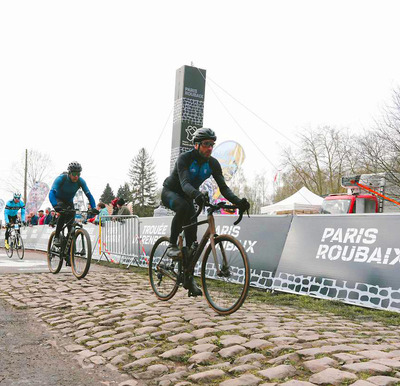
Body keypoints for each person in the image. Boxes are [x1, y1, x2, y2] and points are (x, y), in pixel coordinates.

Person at [161, 128, 250, 296]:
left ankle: (189, 279)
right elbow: (185, 183)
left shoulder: (213, 164)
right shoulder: (184, 159)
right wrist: (197, 195)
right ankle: (172, 245)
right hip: (171, 192)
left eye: (212, 145)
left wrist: (239, 202)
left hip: (190, 196)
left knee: (192, 245)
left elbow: (223, 188)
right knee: (183, 207)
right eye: (206, 144)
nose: (210, 148)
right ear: (196, 145)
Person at [49, 161, 96, 249]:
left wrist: (93, 207)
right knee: (63, 214)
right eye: (74, 174)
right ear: (69, 173)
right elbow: (51, 193)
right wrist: (55, 205)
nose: (76, 176)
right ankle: (56, 236)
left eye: (78, 174)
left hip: (69, 201)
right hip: (58, 199)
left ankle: (69, 248)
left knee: (71, 225)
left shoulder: (80, 181)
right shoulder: (61, 178)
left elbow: (89, 195)